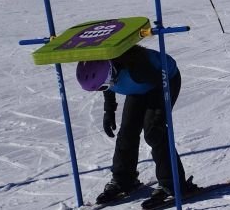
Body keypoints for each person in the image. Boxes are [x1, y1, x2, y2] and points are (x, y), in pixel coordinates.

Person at [76, 47, 199, 207]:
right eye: (101, 87)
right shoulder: (107, 70)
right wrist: (109, 111)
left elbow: (160, 87)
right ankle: (124, 180)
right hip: (137, 86)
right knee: (127, 132)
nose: (103, 89)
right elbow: (107, 86)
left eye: (103, 86)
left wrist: (158, 118)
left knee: (154, 132)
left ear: (111, 71)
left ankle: (173, 184)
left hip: (161, 81)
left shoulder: (138, 69)